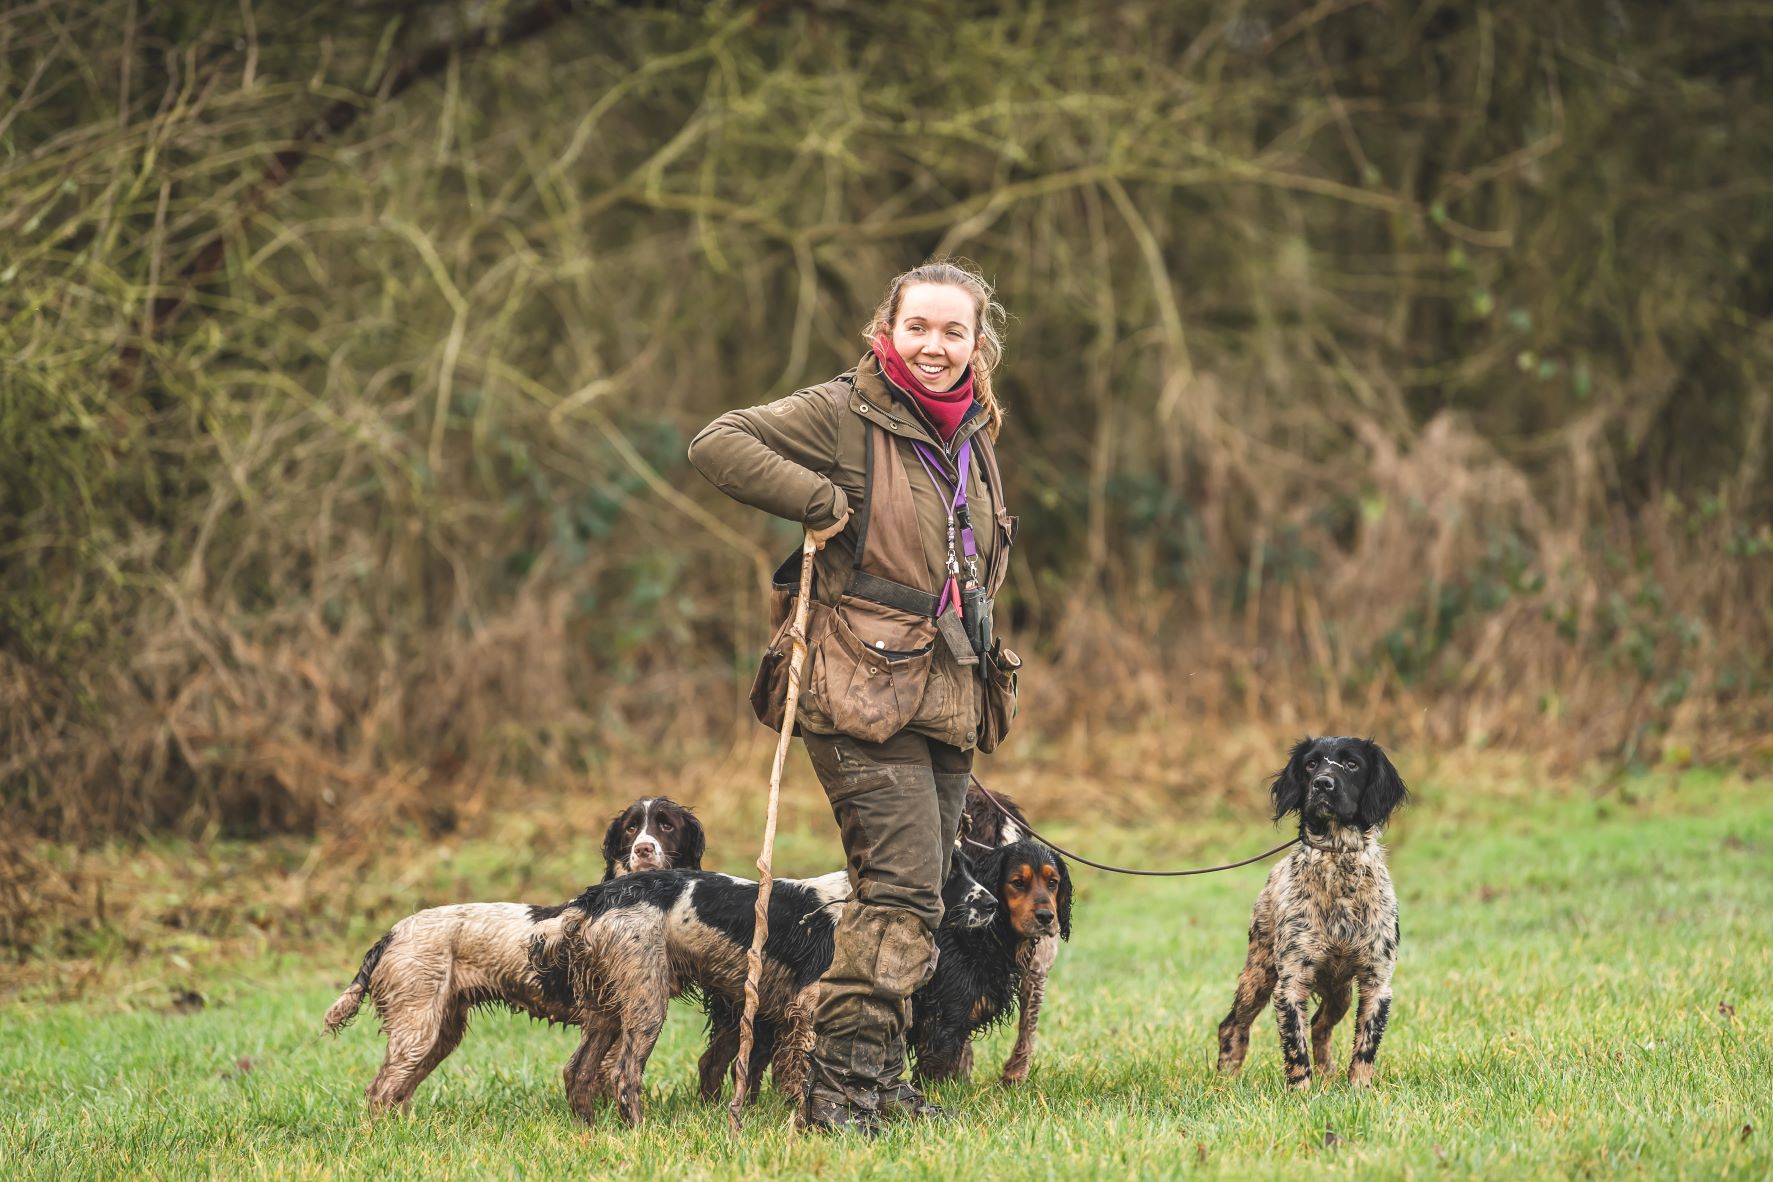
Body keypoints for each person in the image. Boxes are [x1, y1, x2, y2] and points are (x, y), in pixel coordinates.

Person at [688, 260, 1020, 1135]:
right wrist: (817, 499)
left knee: (924, 894)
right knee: (902, 892)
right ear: (890, 327)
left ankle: (871, 1077)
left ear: (977, 342)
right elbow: (717, 441)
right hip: (857, 688)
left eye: (954, 332)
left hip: (948, 687)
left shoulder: (972, 428)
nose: (935, 346)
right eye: (919, 328)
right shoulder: (845, 409)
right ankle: (832, 1095)